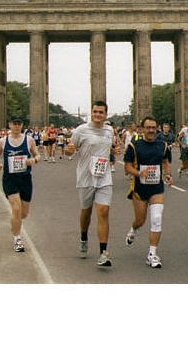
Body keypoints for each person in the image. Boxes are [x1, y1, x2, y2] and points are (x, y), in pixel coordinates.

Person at [64, 101, 120, 266]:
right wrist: (68, 150)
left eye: (101, 112)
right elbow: (69, 148)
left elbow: (110, 148)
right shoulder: (81, 130)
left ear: (105, 115)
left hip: (104, 177)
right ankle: (83, 237)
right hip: (85, 177)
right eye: (95, 112)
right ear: (91, 113)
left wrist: (113, 152)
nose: (97, 115)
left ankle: (103, 253)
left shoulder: (109, 130)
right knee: (86, 213)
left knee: (103, 212)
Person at [123, 116, 173, 268]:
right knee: (140, 220)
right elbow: (127, 167)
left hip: (156, 188)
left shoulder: (162, 145)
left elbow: (165, 162)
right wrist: (139, 173)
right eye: (148, 127)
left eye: (153, 128)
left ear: (156, 129)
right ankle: (133, 230)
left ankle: (152, 254)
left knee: (156, 218)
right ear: (142, 129)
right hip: (139, 188)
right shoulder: (134, 145)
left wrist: (168, 174)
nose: (151, 130)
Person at [0, 116, 41, 252]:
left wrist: (34, 160)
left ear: (22, 125)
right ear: (9, 125)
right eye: (14, 124)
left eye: (19, 124)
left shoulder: (28, 140)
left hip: (25, 178)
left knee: (23, 213)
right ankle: (17, 239)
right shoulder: (3, 141)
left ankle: (15, 224)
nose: (16, 126)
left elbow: (37, 155)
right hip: (10, 179)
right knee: (16, 209)